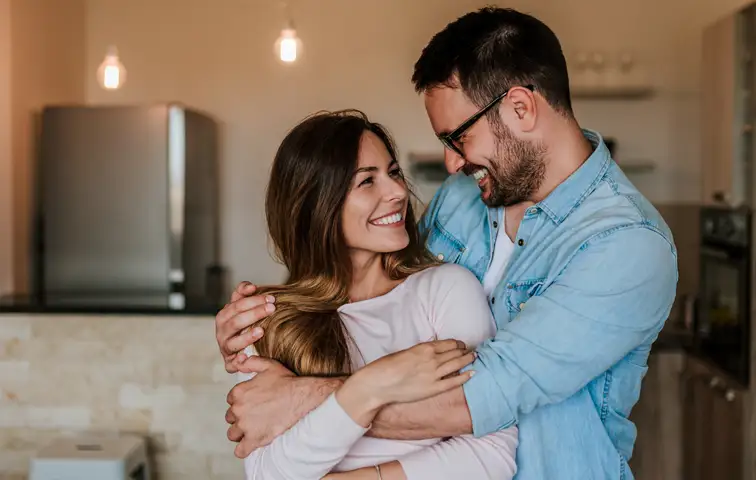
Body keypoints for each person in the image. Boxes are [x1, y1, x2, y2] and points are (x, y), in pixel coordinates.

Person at [217, 7, 678, 480]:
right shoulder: (465, 196)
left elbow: (476, 400)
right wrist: (262, 331)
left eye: (458, 137)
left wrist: (300, 396)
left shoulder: (627, 245)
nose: (451, 163)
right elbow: (390, 305)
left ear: (521, 107)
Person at [230, 109, 518, 480]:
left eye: (394, 172)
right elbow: (268, 473)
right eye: (367, 182)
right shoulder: (270, 322)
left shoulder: (445, 290)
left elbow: (492, 457)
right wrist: (372, 385)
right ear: (317, 206)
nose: (398, 192)